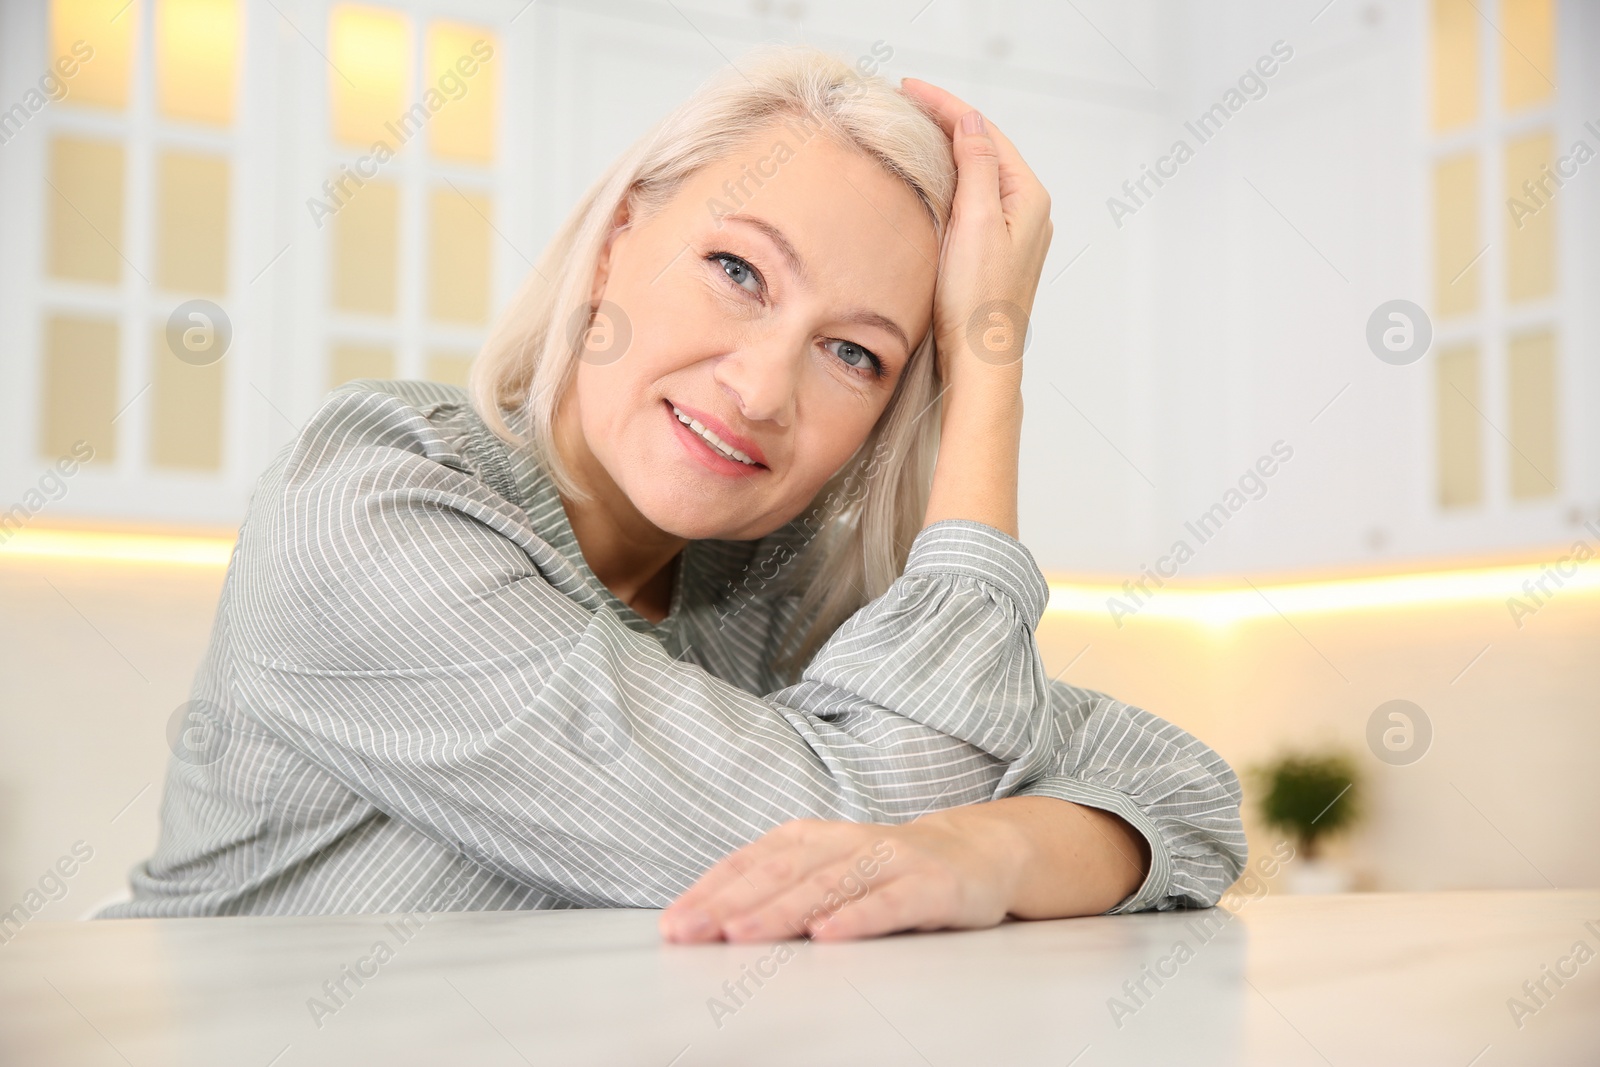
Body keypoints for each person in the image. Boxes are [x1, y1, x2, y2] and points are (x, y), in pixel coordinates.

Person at [100, 45, 1246, 942]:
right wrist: (989, 366)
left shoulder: (774, 580)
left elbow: (1180, 791)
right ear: (617, 239)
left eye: (857, 353)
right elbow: (842, 829)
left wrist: (984, 855)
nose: (758, 390)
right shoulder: (368, 509)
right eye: (738, 270)